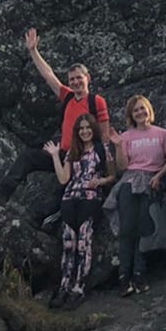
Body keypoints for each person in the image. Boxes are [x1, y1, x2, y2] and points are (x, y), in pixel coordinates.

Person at [0, 27, 115, 199]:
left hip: (83, 156)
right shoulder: (67, 97)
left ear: (87, 78)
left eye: (79, 78)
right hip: (63, 153)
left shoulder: (96, 101)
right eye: (72, 79)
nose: (75, 82)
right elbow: (48, 75)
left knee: (65, 190)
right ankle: (4, 192)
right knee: (28, 157)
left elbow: (104, 134)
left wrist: (105, 167)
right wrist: (33, 51)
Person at [48, 114, 114, 309]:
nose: (85, 131)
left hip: (90, 199)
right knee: (69, 243)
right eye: (81, 128)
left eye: (88, 128)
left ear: (93, 129)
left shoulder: (101, 149)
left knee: (84, 242)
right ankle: (64, 286)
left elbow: (112, 175)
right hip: (69, 198)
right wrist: (54, 155)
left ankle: (79, 286)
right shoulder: (72, 152)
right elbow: (63, 179)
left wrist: (100, 182)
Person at [112, 96, 166, 295]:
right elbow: (122, 167)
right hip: (130, 181)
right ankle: (123, 276)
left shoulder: (162, 134)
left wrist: (159, 176)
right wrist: (119, 146)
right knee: (127, 229)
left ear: (149, 109)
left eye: (142, 108)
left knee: (144, 229)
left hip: (152, 181)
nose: (140, 113)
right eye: (136, 111)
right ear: (131, 115)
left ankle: (139, 273)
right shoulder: (126, 136)